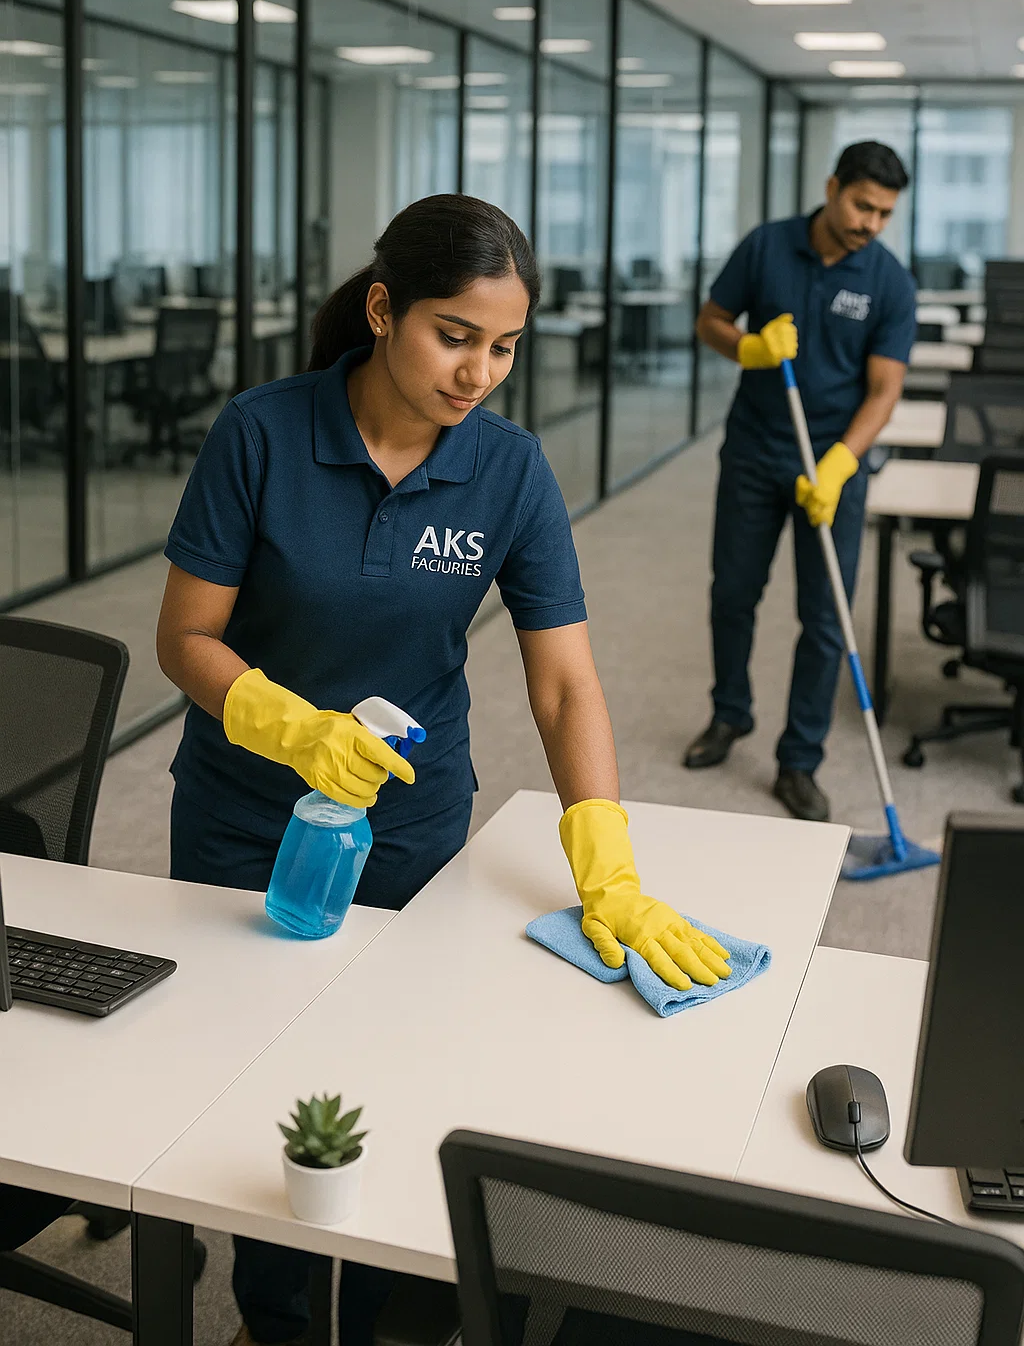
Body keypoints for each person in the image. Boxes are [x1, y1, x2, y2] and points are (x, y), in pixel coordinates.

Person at [156, 193, 732, 1346]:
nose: (479, 372)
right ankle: (270, 1317)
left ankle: (378, 1317)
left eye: (504, 347)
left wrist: (604, 856)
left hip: (409, 828)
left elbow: (565, 683)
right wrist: (286, 722)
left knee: (392, 1069)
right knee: (254, 1081)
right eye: (454, 335)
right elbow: (185, 639)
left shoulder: (509, 472)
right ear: (382, 310)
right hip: (244, 817)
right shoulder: (263, 433)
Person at [683, 142, 915, 821]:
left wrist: (844, 462)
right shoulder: (767, 247)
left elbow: (884, 390)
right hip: (755, 450)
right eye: (862, 204)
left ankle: (799, 760)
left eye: (884, 213)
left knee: (824, 618)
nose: (871, 222)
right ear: (833, 186)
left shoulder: (890, 282)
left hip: (832, 468)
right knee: (733, 592)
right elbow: (710, 322)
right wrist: (747, 348)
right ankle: (730, 716)